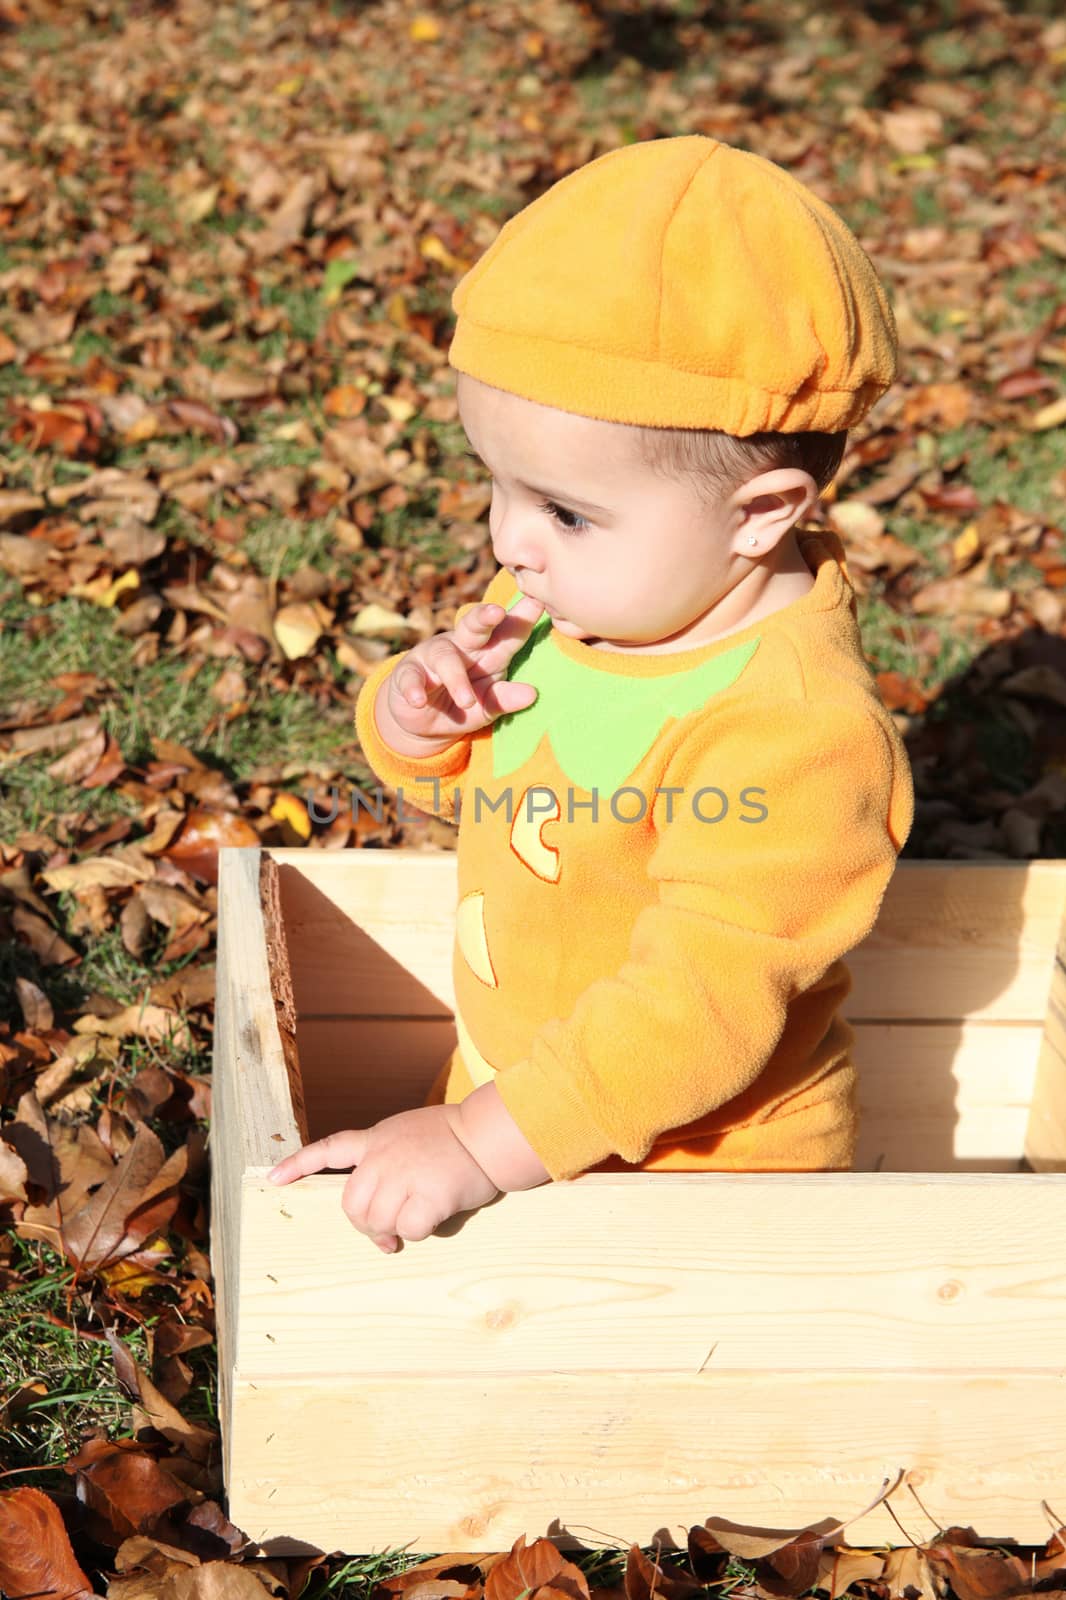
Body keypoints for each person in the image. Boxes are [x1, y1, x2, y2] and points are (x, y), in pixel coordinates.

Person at [268, 135, 915, 1251]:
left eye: (563, 510)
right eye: (495, 484)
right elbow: (489, 791)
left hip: (699, 1181)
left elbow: (702, 1000)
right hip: (513, 1091)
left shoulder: (795, 732)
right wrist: (420, 718)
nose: (509, 539)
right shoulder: (583, 596)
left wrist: (476, 1140)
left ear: (759, 514)